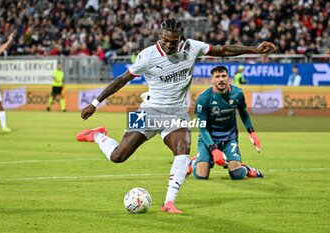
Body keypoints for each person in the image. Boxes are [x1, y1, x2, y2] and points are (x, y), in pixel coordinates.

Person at [76, 18, 276, 213]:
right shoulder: (147, 56)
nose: (170, 44)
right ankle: (98, 135)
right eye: (165, 40)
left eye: (174, 41)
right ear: (159, 36)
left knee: (182, 149)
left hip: (177, 112)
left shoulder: (191, 47)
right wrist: (94, 103)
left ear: (181, 38)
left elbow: (223, 49)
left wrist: (255, 49)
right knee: (118, 156)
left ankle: (168, 203)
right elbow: (121, 80)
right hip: (148, 109)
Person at [186, 66, 263, 180]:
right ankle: (194, 162)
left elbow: (243, 112)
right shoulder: (203, 98)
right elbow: (202, 128)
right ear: (212, 80)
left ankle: (247, 169)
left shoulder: (238, 93)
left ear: (228, 78)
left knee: (236, 174)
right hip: (209, 139)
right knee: (201, 176)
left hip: (229, 138)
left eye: (223, 76)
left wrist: (251, 132)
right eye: (217, 77)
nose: (221, 79)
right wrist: (214, 149)